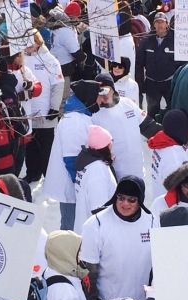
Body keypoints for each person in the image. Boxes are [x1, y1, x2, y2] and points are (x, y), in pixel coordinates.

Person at [80, 176, 154, 300]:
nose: (125, 204)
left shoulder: (152, 222)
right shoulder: (95, 224)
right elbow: (88, 270)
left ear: (140, 201)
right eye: (121, 198)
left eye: (131, 200)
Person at [44, 80, 102, 231]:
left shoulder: (80, 116)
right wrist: (81, 186)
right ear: (88, 98)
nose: (100, 100)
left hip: (76, 186)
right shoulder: (75, 121)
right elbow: (71, 160)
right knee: (71, 229)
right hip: (72, 187)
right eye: (97, 96)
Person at [93, 73, 161, 180]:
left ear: (112, 88)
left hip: (137, 171)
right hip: (115, 175)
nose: (103, 94)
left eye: (106, 90)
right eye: (99, 91)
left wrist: (169, 136)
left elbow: (148, 126)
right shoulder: (95, 115)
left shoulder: (127, 103)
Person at [23, 29, 65, 183]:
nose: (27, 48)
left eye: (30, 44)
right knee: (31, 145)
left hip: (46, 110)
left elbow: (58, 85)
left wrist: (54, 107)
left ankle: (50, 175)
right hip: (28, 110)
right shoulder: (22, 59)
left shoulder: (50, 60)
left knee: (47, 146)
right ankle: (32, 172)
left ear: (37, 42)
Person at [135, 11, 183, 119]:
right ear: (154, 25)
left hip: (170, 83)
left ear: (167, 24)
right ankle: (153, 132)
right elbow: (139, 64)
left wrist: (179, 82)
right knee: (152, 111)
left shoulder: (176, 39)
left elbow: (182, 64)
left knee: (173, 110)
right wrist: (140, 83)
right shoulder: (146, 40)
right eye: (157, 22)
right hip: (152, 83)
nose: (160, 25)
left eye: (162, 22)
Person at [74, 125, 117, 234]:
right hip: (96, 234)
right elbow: (99, 208)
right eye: (110, 143)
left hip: (86, 226)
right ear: (105, 146)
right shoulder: (97, 170)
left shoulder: (87, 161)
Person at [44, 230, 90, 300]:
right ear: (66, 254)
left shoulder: (50, 270)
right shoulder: (67, 294)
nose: (81, 255)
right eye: (78, 251)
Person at [147, 109, 188, 198]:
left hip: (158, 198)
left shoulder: (161, 143)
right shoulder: (175, 158)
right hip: (170, 207)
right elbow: (176, 191)